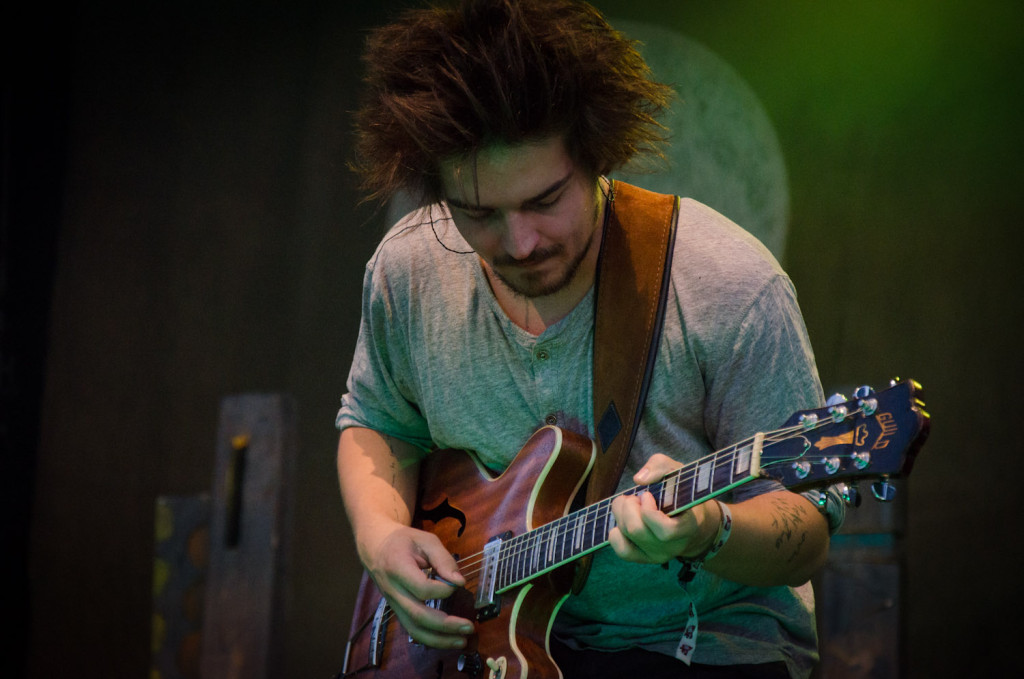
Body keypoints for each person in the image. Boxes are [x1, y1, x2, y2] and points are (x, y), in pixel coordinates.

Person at [335, 1, 843, 677]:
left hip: (699, 644)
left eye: (546, 200)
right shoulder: (407, 272)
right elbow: (375, 420)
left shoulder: (729, 286)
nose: (519, 242)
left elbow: (805, 529)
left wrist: (711, 529)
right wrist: (380, 535)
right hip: (487, 647)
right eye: (479, 213)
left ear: (598, 155)